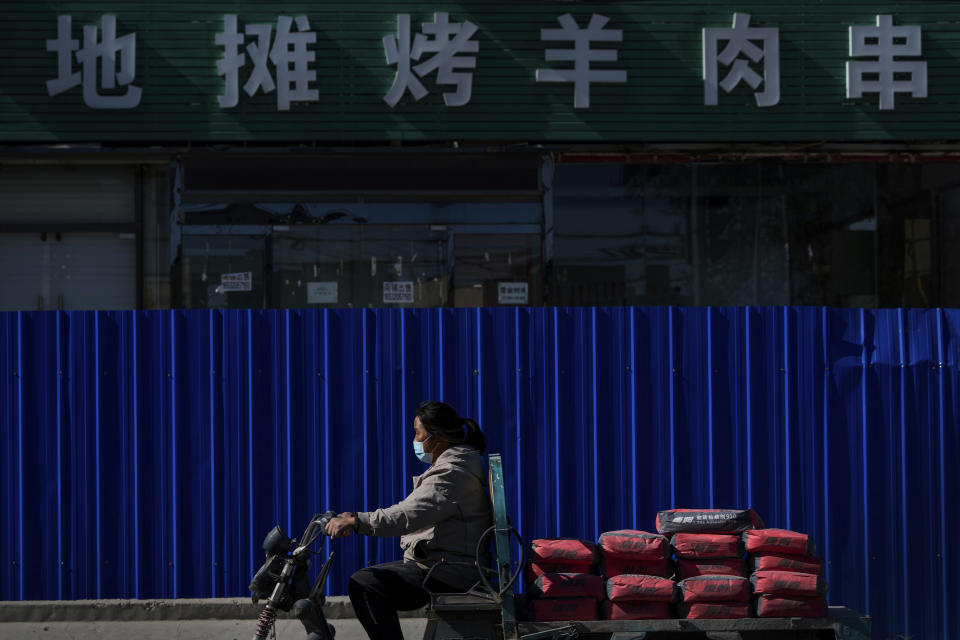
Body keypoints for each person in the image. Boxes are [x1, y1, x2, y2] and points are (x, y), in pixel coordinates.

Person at [324, 400, 492, 640]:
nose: (415, 440)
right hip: (447, 565)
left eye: (418, 433)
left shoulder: (451, 473)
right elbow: (409, 510)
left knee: (365, 584)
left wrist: (357, 521)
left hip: (451, 572)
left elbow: (407, 516)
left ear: (438, 437)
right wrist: (353, 518)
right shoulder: (454, 466)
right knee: (372, 579)